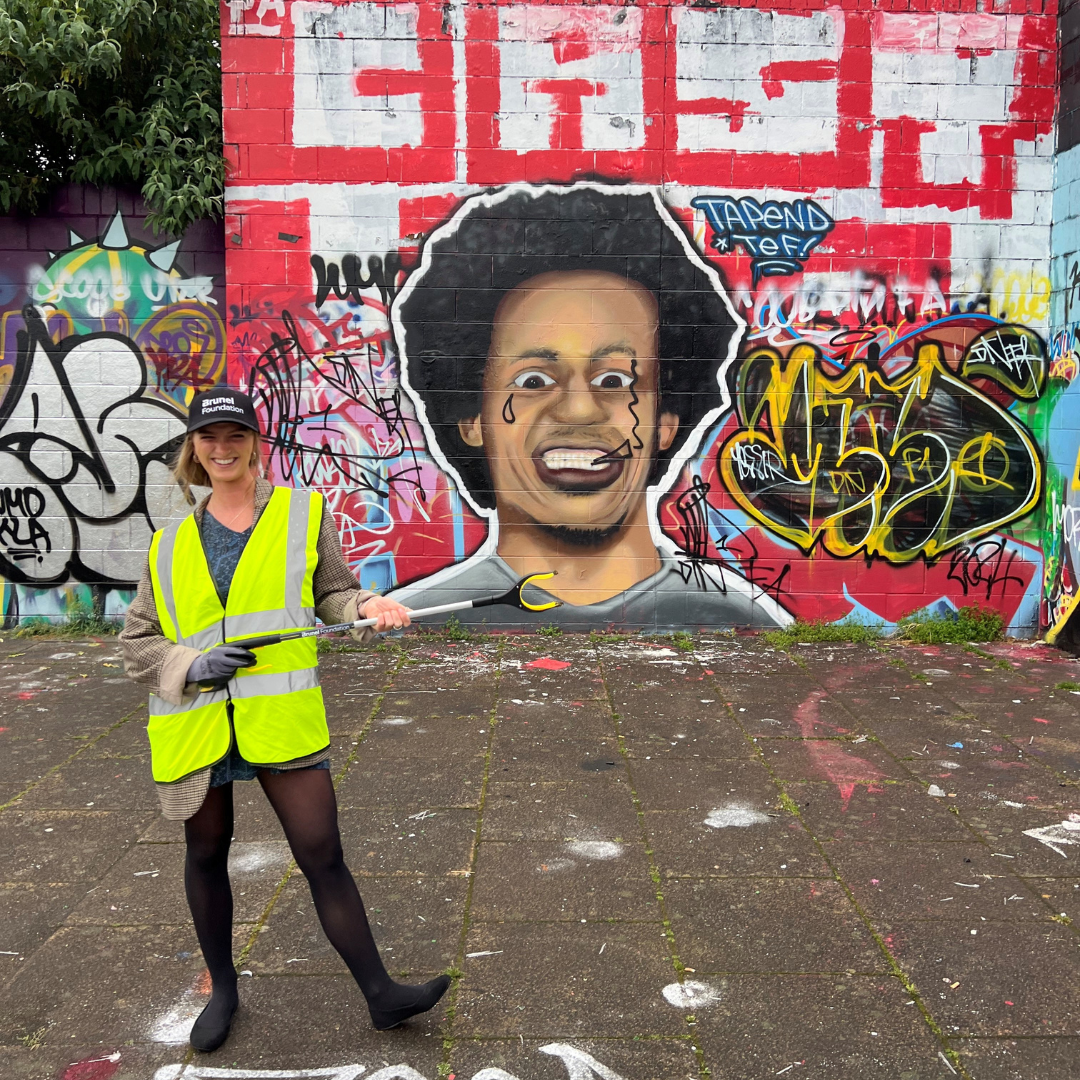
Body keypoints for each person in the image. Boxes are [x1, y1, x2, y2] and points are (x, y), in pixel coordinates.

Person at [119, 388, 448, 1052]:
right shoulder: (169, 543)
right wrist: (191, 664)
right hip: (198, 724)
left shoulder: (303, 514)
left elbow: (332, 591)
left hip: (280, 720)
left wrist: (366, 606)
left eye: (234, 433)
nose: (222, 447)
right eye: (209, 437)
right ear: (194, 450)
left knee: (322, 854)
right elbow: (138, 643)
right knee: (206, 854)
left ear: (254, 441)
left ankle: (382, 994)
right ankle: (225, 989)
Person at [390, 182, 790, 630]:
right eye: (534, 380)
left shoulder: (738, 626)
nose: (579, 410)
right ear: (472, 419)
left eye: (615, 380)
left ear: (666, 421)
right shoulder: (426, 625)